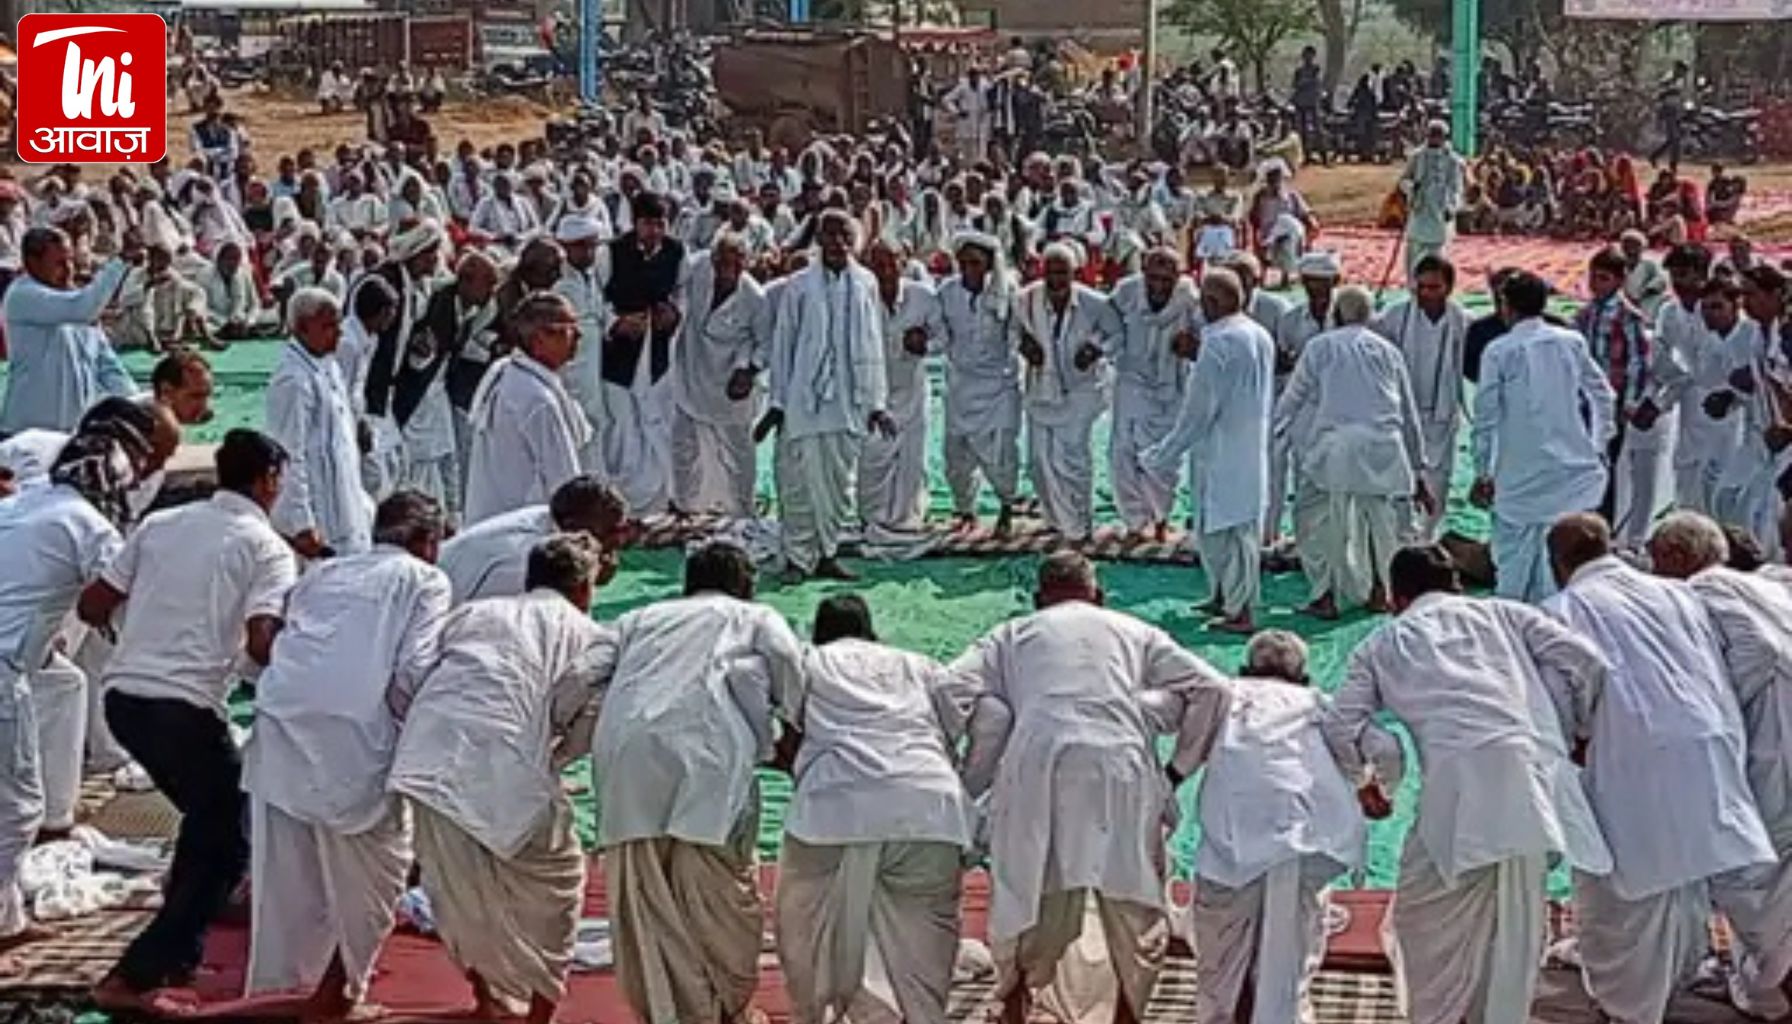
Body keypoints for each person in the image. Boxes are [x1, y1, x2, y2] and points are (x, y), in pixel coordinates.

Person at [1322, 544, 1613, 1024]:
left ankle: (1440, 1015)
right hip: (1537, 776)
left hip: (1459, 790)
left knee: (1422, 919)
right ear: (1455, 584)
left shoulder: (1383, 642)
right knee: (1515, 914)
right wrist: (1576, 731)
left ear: (1396, 597)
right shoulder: (1505, 613)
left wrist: (1365, 782)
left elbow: (1340, 725)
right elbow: (1587, 661)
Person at [953, 552, 1231, 1024]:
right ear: (1098, 596)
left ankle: (1014, 1001)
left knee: (1026, 888)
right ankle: (1127, 1014)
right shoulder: (1135, 631)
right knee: (1133, 897)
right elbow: (1214, 690)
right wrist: (1175, 773)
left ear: (1038, 598)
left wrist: (956, 769)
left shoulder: (1010, 634)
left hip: (1038, 764)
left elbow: (953, 686)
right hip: (1121, 764)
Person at [83, 431, 299, 1014]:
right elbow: (262, 642)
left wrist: (141, 636)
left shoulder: (161, 524)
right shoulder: (267, 548)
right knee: (227, 833)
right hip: (182, 706)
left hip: (123, 698)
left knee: (211, 822)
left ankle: (184, 936)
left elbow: (92, 603)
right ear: (268, 481)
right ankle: (136, 974)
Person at [1543, 513, 1776, 1024]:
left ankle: (1629, 1006)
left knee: (1619, 890)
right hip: (1714, 741)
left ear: (1557, 564)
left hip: (1634, 757)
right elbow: (1744, 652)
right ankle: (1683, 974)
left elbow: (1564, 700)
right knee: (1691, 875)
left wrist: (1574, 742)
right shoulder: (1678, 594)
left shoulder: (1562, 611)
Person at [386, 534, 614, 1024]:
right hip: (502, 760)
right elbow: (588, 707)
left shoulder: (473, 614)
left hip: (426, 756)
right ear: (583, 589)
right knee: (560, 880)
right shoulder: (588, 633)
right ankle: (538, 1013)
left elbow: (416, 672)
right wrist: (558, 758)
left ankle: (489, 999)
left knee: (458, 892)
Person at [240, 491, 451, 1019]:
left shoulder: (322, 574)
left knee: (287, 880)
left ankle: (281, 992)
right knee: (380, 872)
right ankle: (337, 996)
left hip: (280, 724)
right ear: (428, 542)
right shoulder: (425, 580)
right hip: (353, 738)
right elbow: (413, 671)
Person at [591, 542, 804, 1024]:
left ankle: (672, 1010)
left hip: (626, 756)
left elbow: (586, 672)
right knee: (720, 888)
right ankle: (720, 1008)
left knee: (647, 889)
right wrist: (792, 731)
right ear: (745, 585)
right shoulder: (754, 617)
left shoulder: (637, 618)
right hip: (708, 754)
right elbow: (789, 670)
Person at [774, 594, 973, 1024]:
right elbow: (960, 720)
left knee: (807, 930)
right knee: (925, 939)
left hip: (831, 809)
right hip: (929, 805)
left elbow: (788, 735)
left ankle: (820, 1014)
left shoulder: (808, 662)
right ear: (871, 632)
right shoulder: (920, 665)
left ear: (818, 633)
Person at [0, 411, 157, 956]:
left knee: (63, 685)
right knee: (18, 805)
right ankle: (3, 927)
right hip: (4, 666)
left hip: (22, 660)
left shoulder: (23, 503)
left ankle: (8, 916)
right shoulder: (88, 526)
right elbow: (121, 601)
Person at [1647, 512, 1792, 1020]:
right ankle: (1761, 988)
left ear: (1676, 557)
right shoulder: (1767, 583)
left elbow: (1760, 649)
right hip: (1774, 737)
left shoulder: (1705, 589)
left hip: (1772, 744)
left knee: (1746, 876)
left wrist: (1721, 709)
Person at [1185, 631, 1370, 1024]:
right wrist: (1372, 785)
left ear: (1244, 669)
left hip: (1230, 852)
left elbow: (1169, 721)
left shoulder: (1223, 697)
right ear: (1304, 679)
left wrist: (1168, 777)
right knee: (1290, 965)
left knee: (1220, 969)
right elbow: (1380, 746)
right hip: (1306, 845)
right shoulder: (1320, 704)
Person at [1276, 286, 1430, 619]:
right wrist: (1419, 466)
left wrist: (1272, 434)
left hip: (1338, 448)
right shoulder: (1388, 351)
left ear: (1337, 313)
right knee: (1381, 524)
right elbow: (1409, 412)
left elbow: (1293, 397)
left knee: (1316, 519)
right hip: (1385, 448)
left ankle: (1326, 595)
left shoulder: (1321, 346)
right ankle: (1381, 591)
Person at [759, 210, 893, 582]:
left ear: (853, 240)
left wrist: (877, 403)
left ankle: (827, 554)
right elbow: (784, 345)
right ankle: (798, 558)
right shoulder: (799, 285)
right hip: (804, 401)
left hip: (849, 400)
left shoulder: (866, 282)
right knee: (798, 482)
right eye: (829, 235)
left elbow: (875, 343)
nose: (836, 242)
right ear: (818, 240)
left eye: (843, 235)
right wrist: (777, 404)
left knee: (838, 484)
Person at [1470, 271, 1616, 602]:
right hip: (1572, 471)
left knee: (1513, 566)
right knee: (1565, 560)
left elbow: (1485, 417)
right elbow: (1603, 396)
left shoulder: (1499, 351)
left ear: (1506, 306)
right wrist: (1598, 445)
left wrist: (1483, 471)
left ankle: (1517, 622)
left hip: (1520, 476)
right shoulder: (1571, 342)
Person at [1144, 268, 1275, 634]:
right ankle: (1221, 595)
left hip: (1221, 448)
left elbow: (1199, 410)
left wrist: (1164, 453)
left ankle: (1241, 611)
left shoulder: (1219, 342)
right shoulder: (1259, 334)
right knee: (1219, 526)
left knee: (1232, 531)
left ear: (1212, 302)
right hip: (1244, 447)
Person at [1015, 242, 1120, 543]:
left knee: (1072, 462)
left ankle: (1079, 524)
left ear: (1075, 273)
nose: (1056, 280)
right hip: (1041, 390)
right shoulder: (1026, 300)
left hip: (1080, 392)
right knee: (1038, 461)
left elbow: (1117, 335)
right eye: (1050, 272)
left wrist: (1095, 348)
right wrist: (1024, 344)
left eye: (1063, 273)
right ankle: (1054, 519)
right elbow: (1011, 331)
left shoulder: (1095, 303)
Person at [462, 292, 593, 527]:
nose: (579, 336)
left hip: (496, 521)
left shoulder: (514, 377)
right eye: (568, 329)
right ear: (539, 338)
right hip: (523, 528)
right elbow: (564, 482)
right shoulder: (536, 399)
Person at [594, 193, 686, 518]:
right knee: (621, 427)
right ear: (635, 223)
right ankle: (621, 506)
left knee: (659, 423)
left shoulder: (676, 252)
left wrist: (674, 313)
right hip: (618, 353)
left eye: (661, 224)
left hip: (658, 351)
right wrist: (615, 322)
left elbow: (682, 292)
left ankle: (658, 502)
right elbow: (595, 297)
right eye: (648, 224)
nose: (655, 232)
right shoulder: (610, 253)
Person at [1575, 246, 1672, 552]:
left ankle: (1604, 530)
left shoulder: (1628, 317)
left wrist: (1629, 403)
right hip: (1587, 405)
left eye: (1603, 278)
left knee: (1610, 468)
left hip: (1614, 405)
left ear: (1619, 280)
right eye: (1593, 277)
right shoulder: (1585, 315)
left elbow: (1637, 365)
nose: (1595, 284)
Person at [265, 287, 373, 560]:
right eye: (328, 326)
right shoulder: (293, 380)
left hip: (344, 503)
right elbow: (289, 453)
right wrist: (300, 522)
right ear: (303, 328)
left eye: (338, 324)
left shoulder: (329, 366)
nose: (338, 333)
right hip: (317, 514)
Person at [670, 233, 769, 520]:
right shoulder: (697, 269)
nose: (728, 270)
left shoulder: (755, 298)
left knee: (739, 453)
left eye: (736, 264)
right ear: (713, 260)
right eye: (722, 263)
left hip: (730, 386)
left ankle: (743, 512)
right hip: (692, 373)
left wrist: (749, 371)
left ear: (745, 263)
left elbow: (765, 343)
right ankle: (686, 507)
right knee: (684, 447)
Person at [1, 227, 137, 435]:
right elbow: (82, 308)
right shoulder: (23, 295)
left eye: (71, 261)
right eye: (59, 263)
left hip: (73, 433)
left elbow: (106, 364)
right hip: (27, 433)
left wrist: (135, 405)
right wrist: (121, 262)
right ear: (32, 263)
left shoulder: (73, 301)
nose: (69, 270)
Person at [1372, 255, 1470, 542]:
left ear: (1449, 288)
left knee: (1439, 479)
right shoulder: (1395, 316)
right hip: (1402, 410)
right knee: (1399, 476)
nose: (1426, 294)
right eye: (1421, 287)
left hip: (1441, 414)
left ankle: (1427, 537)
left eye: (1434, 287)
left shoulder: (1462, 320)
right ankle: (1400, 537)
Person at [1108, 248, 1198, 541]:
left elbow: (1207, 342)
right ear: (1143, 274)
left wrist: (1192, 347)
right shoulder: (1125, 293)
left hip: (1170, 389)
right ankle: (1134, 523)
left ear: (1178, 277)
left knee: (1164, 459)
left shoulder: (1191, 301)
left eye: (1166, 279)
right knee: (1123, 454)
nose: (1158, 286)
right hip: (1130, 383)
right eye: (1153, 278)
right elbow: (1105, 325)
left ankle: (1161, 519)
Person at [938, 232, 1022, 537]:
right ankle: (966, 510)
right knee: (956, 456)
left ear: (988, 265)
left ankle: (1006, 507)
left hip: (999, 386)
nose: (968, 270)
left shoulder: (1006, 291)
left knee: (1000, 453)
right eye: (963, 263)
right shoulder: (947, 292)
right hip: (960, 384)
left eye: (975, 263)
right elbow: (940, 334)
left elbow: (1016, 333)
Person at [860, 239, 944, 538]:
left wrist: (924, 345)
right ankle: (873, 517)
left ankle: (906, 517)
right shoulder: (860, 297)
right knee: (873, 457)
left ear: (904, 262)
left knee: (910, 459)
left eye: (890, 262)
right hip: (872, 393)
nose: (884, 270)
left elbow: (943, 338)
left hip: (911, 391)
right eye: (877, 264)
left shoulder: (923, 297)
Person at [437, 475, 626, 605]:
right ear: (573, 526)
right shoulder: (525, 561)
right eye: (611, 531)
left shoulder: (546, 517)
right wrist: (588, 576)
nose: (619, 540)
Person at [1268, 251, 1340, 546]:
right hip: (1301, 409)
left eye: (1323, 282)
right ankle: (1298, 539)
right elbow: (1281, 363)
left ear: (1335, 282)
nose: (1316, 289)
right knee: (1301, 474)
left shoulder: (1349, 317)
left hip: (1338, 408)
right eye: (1310, 282)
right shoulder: (1291, 320)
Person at [1653, 246, 1732, 515]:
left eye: (1684, 274)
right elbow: (1665, 365)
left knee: (1722, 482)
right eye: (1673, 275)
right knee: (1687, 476)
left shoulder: (1721, 311)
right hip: (1690, 405)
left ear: (1701, 274)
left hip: (1727, 409)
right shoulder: (1669, 312)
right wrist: (1659, 402)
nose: (1677, 283)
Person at [1398, 121, 1464, 284]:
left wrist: (1452, 207)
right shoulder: (1417, 156)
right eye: (1432, 134)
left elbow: (1456, 188)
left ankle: (1435, 285)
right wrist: (1412, 187)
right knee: (1414, 254)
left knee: (1437, 256)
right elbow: (1403, 181)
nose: (1434, 138)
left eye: (1438, 134)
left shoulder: (1453, 160)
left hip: (1440, 212)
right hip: (1420, 210)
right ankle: (1414, 286)